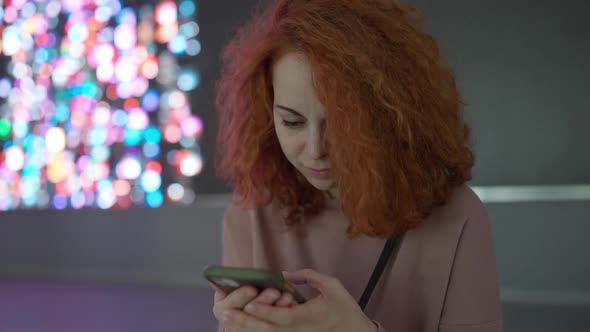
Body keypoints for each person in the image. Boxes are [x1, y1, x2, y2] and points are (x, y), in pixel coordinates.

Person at [211, 0, 502, 331]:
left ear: (389, 115)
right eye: (292, 122)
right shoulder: (250, 214)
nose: (316, 149)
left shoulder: (457, 217)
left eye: (341, 124)